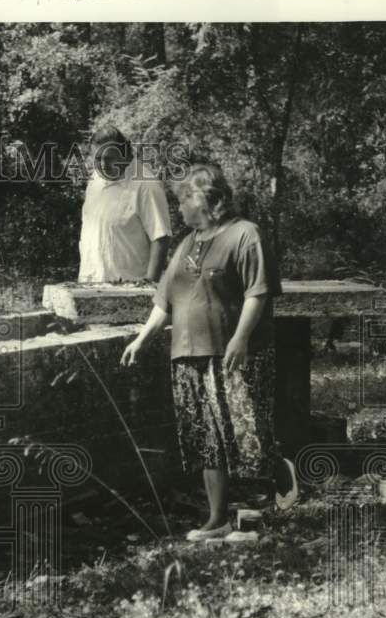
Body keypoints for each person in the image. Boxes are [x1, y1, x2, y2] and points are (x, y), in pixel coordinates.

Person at [120, 163, 298, 542]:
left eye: (183, 199)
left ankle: (255, 515)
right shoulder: (187, 244)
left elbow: (259, 292)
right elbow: (164, 301)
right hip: (187, 355)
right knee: (206, 440)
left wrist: (241, 338)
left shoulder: (245, 235)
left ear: (204, 200)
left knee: (245, 431)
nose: (179, 208)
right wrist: (142, 339)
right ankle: (217, 520)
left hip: (233, 353)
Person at [77, 126, 172, 285]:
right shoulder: (95, 179)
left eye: (109, 158)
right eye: (97, 159)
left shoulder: (146, 185)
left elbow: (161, 237)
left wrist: (149, 286)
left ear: (126, 153)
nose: (102, 164)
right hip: (90, 283)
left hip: (129, 288)